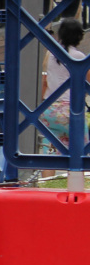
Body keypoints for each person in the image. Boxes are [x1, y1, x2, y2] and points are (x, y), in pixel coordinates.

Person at [40, 16, 87, 161]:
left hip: (49, 109)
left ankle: (45, 182)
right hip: (71, 111)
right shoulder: (79, 56)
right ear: (78, 36)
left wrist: (43, 104)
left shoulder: (50, 54)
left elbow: (45, 81)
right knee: (81, 151)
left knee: (50, 150)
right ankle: (75, 180)